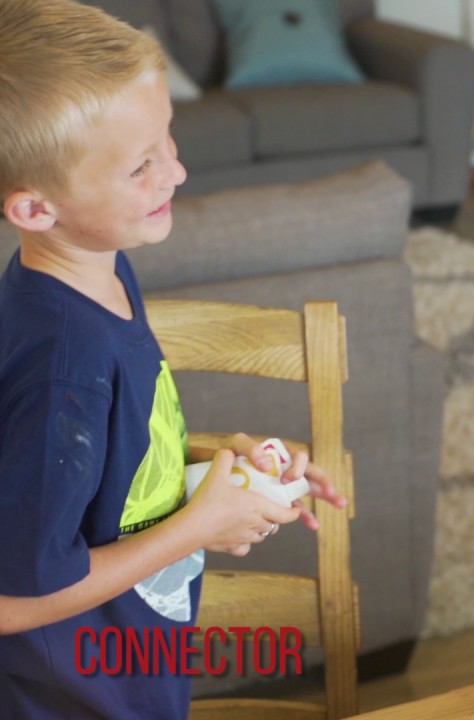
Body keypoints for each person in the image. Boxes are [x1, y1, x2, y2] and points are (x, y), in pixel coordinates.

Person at [0, 1, 346, 717]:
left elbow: (101, 461)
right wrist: (196, 529)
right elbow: (11, 600)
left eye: (168, 139)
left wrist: (225, 468)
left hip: (131, 672)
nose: (178, 171)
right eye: (141, 166)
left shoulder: (100, 272)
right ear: (35, 210)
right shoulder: (64, 364)